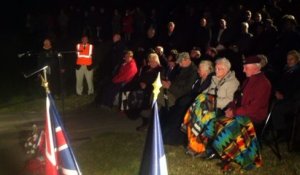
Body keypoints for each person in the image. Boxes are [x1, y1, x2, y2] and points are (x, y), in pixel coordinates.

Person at [197, 56, 271, 173]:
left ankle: (234, 159)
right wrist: (231, 107)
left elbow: (253, 108)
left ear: (256, 68)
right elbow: (236, 99)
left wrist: (235, 112)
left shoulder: (263, 83)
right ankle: (216, 151)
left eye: (246, 67)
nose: (243, 70)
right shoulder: (247, 80)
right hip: (241, 114)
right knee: (214, 122)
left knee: (225, 130)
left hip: (253, 117)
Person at [183, 57, 239, 155]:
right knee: (199, 105)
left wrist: (212, 101)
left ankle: (195, 142)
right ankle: (195, 145)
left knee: (199, 115)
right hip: (207, 107)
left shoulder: (232, 82)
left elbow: (229, 100)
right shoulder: (215, 79)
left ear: (226, 70)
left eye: (219, 69)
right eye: (216, 68)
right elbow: (205, 92)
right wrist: (203, 98)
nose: (216, 71)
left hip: (220, 109)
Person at [164, 60, 214, 145]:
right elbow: (192, 91)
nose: (198, 70)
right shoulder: (199, 79)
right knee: (177, 108)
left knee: (181, 112)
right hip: (192, 101)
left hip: (200, 105)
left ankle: (174, 139)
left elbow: (203, 95)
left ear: (207, 70)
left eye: (200, 69)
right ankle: (168, 136)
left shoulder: (210, 80)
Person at [271, 50, 300, 140]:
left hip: (293, 100)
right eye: (288, 59)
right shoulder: (286, 70)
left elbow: (295, 89)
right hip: (282, 97)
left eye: (291, 59)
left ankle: (282, 133)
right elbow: (278, 83)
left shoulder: (298, 72)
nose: (289, 61)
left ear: (297, 60)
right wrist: (276, 91)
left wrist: (284, 96)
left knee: (277, 109)